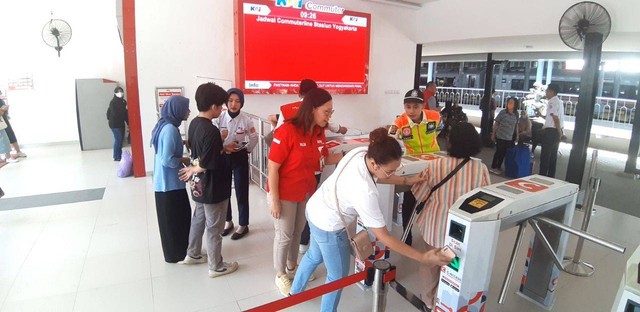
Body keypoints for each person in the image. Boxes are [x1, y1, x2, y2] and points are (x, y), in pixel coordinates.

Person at [290, 128, 453, 311]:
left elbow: (377, 176)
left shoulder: (360, 153)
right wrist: (422, 256)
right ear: (375, 164)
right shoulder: (365, 192)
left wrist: (407, 181)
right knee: (337, 277)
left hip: (315, 209)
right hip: (329, 225)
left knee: (314, 254)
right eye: (391, 170)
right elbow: (384, 236)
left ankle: (295, 293)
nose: (393, 173)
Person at [268, 88, 344, 296]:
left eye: (331, 112)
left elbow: (324, 159)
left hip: (305, 191)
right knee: (284, 234)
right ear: (312, 109)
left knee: (298, 231)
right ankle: (280, 273)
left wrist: (349, 154)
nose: (329, 116)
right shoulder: (287, 131)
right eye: (326, 112)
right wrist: (274, 200)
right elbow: (273, 167)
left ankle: (293, 266)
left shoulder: (319, 132)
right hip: (283, 192)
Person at [412, 122, 491, 307]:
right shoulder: (481, 169)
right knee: (455, 268)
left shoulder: (435, 165)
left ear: (450, 142)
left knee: (430, 266)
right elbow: (485, 202)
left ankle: (429, 301)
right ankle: (447, 302)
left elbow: (420, 195)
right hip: (462, 233)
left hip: (434, 227)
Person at [178, 83, 239, 277]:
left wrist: (222, 148)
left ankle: (193, 253)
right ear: (213, 106)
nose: (222, 109)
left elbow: (205, 152)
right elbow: (206, 163)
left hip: (198, 186)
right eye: (221, 105)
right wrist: (195, 167)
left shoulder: (195, 123)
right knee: (214, 227)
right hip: (213, 186)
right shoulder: (211, 130)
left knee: (199, 219)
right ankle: (216, 265)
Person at [388, 89, 441, 246]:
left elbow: (438, 131)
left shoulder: (434, 116)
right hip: (413, 166)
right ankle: (407, 233)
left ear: (423, 106)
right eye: (408, 106)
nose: (411, 111)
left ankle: (432, 232)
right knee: (410, 201)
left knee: (435, 200)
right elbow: (390, 139)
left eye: (415, 107)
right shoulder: (399, 122)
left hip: (434, 163)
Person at [150, 95, 192, 263]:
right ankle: (178, 253)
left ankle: (174, 253)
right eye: (186, 108)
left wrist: (182, 142)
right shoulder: (170, 130)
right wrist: (185, 161)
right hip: (171, 185)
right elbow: (166, 160)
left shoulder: (164, 125)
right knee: (178, 220)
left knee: (171, 221)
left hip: (163, 184)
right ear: (177, 110)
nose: (188, 111)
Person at [218, 88, 258, 240]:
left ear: (242, 103)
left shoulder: (246, 120)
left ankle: (243, 224)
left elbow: (254, 138)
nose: (233, 104)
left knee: (242, 191)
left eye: (237, 101)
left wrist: (246, 150)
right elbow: (215, 139)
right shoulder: (219, 118)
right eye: (230, 101)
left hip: (240, 157)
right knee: (224, 191)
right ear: (226, 102)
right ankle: (228, 222)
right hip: (223, 157)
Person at [537, 83, 564, 178]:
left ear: (551, 91)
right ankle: (551, 177)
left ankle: (542, 177)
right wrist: (541, 115)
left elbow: (555, 118)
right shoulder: (559, 102)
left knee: (545, 156)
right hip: (556, 130)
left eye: (547, 91)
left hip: (550, 132)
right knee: (553, 157)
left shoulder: (552, 102)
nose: (546, 92)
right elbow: (552, 118)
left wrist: (559, 132)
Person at [490, 98, 520, 175]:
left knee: (504, 153)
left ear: (514, 105)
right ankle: (493, 166)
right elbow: (496, 124)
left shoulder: (516, 114)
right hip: (500, 135)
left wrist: (517, 135)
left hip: (509, 137)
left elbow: (516, 125)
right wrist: (493, 134)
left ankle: (499, 166)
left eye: (511, 103)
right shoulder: (503, 112)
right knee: (499, 151)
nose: (509, 104)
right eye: (508, 102)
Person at [0, 93, 26, 160]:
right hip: (1, 120)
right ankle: (7, 156)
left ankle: (18, 151)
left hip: (4, 120)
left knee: (10, 135)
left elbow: (4, 111)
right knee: (3, 138)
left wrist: (6, 112)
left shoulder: (1, 100)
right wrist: (3, 110)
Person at [106, 87, 128, 161]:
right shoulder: (113, 102)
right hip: (114, 124)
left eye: (121, 91)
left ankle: (120, 155)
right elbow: (111, 113)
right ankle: (116, 156)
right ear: (115, 93)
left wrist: (128, 123)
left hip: (121, 123)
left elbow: (125, 114)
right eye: (118, 92)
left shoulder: (124, 102)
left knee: (121, 140)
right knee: (118, 139)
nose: (120, 93)